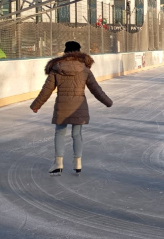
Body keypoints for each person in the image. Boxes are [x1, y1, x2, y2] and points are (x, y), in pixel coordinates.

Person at [30, 41, 113, 175]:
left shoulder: (56, 68)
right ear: (79, 52)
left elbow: (46, 90)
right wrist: (107, 102)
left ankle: (58, 164)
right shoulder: (85, 69)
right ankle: (78, 163)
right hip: (78, 107)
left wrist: (36, 105)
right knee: (77, 134)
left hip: (62, 106)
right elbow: (96, 89)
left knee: (60, 133)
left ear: (65, 51)